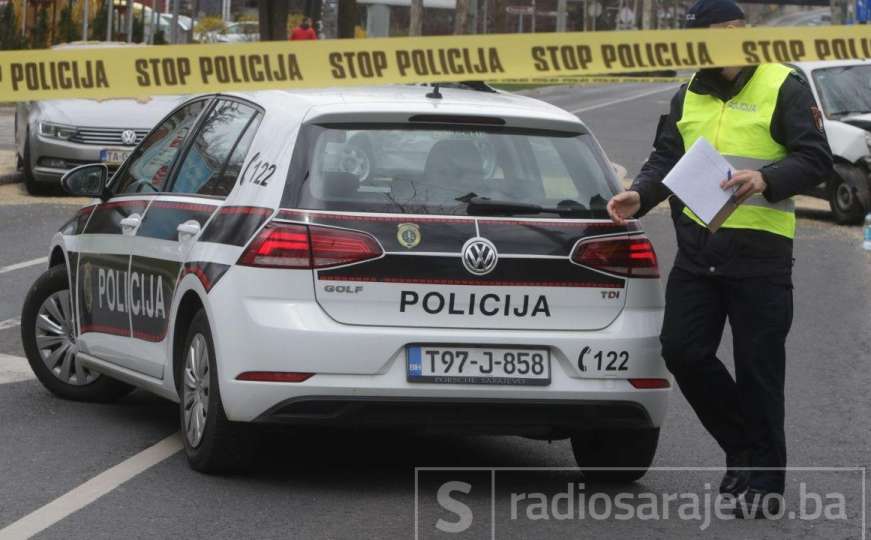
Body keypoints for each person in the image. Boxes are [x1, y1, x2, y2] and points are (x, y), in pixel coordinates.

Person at [606, 0, 833, 519]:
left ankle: (765, 482)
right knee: (682, 350)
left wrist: (766, 179)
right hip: (698, 252)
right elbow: (668, 157)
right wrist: (640, 196)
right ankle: (743, 448)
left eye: (738, 28)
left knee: (759, 371)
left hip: (761, 254)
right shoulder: (688, 93)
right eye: (720, 31)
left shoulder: (783, 84)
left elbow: (816, 159)